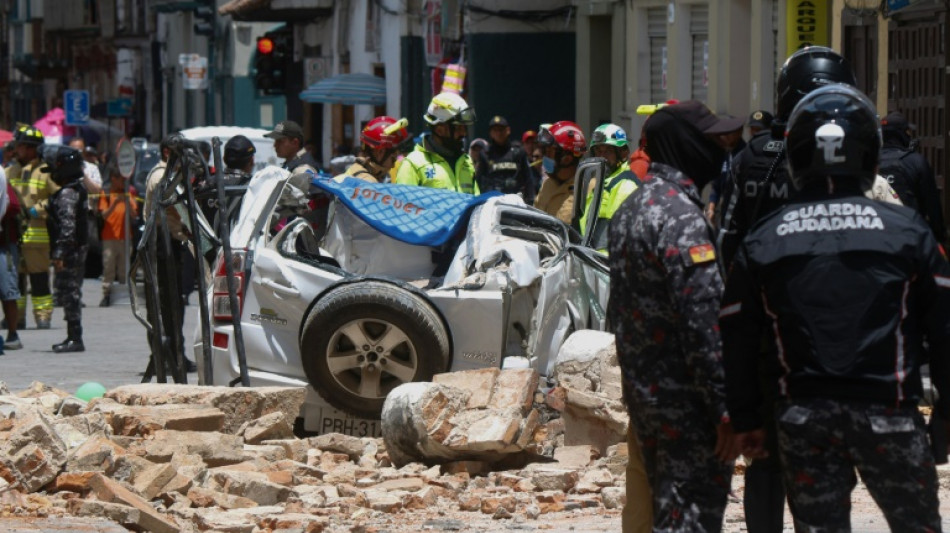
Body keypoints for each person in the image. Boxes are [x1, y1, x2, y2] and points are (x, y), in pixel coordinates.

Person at [720, 84, 949, 532]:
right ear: (870, 155)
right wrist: (946, 412)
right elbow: (944, 328)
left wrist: (746, 417)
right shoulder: (907, 230)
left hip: (805, 419)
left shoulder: (765, 237)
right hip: (890, 412)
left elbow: (737, 337)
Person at [607, 100, 736, 532]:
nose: (720, 149)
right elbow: (703, 324)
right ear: (686, 146)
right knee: (691, 515)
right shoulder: (681, 217)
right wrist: (724, 409)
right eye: (710, 141)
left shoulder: (632, 208)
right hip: (687, 403)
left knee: (666, 507)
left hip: (647, 396)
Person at [144, 135, 196, 374]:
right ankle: (166, 356)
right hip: (162, 246)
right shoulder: (162, 177)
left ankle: (173, 354)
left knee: (173, 304)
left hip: (170, 244)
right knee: (165, 303)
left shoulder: (170, 175)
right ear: (167, 152)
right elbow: (175, 210)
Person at [9, 126, 56, 330]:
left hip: (37, 238)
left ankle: (43, 316)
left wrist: (38, 209)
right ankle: (16, 318)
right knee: (14, 281)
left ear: (30, 149)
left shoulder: (46, 172)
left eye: (20, 145)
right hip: (13, 236)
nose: (16, 149)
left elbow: (57, 199)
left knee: (39, 280)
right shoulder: (8, 171)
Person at [43, 146, 88, 353]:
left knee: (71, 295)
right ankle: (73, 335)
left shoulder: (68, 193)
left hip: (70, 251)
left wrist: (60, 254)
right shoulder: (75, 189)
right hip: (75, 248)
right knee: (70, 293)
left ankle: (74, 338)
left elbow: (68, 226)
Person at [879, 110, 946, 243]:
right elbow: (933, 207)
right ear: (902, 134)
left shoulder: (869, 162)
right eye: (908, 132)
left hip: (877, 238)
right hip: (909, 239)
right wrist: (940, 239)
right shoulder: (915, 162)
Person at [395, 92, 479, 194]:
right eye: (458, 128)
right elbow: (404, 206)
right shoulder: (413, 164)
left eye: (465, 128)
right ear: (440, 129)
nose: (464, 133)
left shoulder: (467, 162)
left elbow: (477, 204)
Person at [579, 123, 640, 252]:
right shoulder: (599, 183)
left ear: (623, 153)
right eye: (598, 151)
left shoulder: (627, 186)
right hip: (591, 261)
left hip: (608, 266)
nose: (602, 156)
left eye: (608, 151)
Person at [97, 163, 138, 307]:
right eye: (120, 179)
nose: (123, 182)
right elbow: (104, 215)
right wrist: (114, 204)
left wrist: (127, 202)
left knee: (124, 268)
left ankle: (124, 293)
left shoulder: (128, 193)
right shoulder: (106, 193)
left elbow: (135, 214)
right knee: (108, 267)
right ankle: (107, 294)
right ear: (113, 178)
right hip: (109, 237)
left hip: (126, 238)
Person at [533, 121, 586, 225]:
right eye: (544, 152)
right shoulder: (547, 184)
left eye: (549, 152)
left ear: (567, 158)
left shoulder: (587, 188)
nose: (544, 157)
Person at [476, 115, 534, 204]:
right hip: (493, 201)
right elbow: (479, 181)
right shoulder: (485, 154)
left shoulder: (518, 151)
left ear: (508, 130)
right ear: (490, 133)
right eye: (495, 130)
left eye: (501, 130)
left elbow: (528, 178)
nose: (498, 133)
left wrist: (530, 200)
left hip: (516, 200)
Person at [334, 116, 410, 183]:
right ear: (380, 152)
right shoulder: (368, 183)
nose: (393, 165)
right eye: (393, 158)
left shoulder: (356, 170)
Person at [704, 116, 747, 223]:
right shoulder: (722, 153)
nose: (724, 136)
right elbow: (716, 186)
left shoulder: (746, 154)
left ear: (739, 132)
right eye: (723, 133)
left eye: (729, 132)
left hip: (740, 213)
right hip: (723, 211)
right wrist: (711, 209)